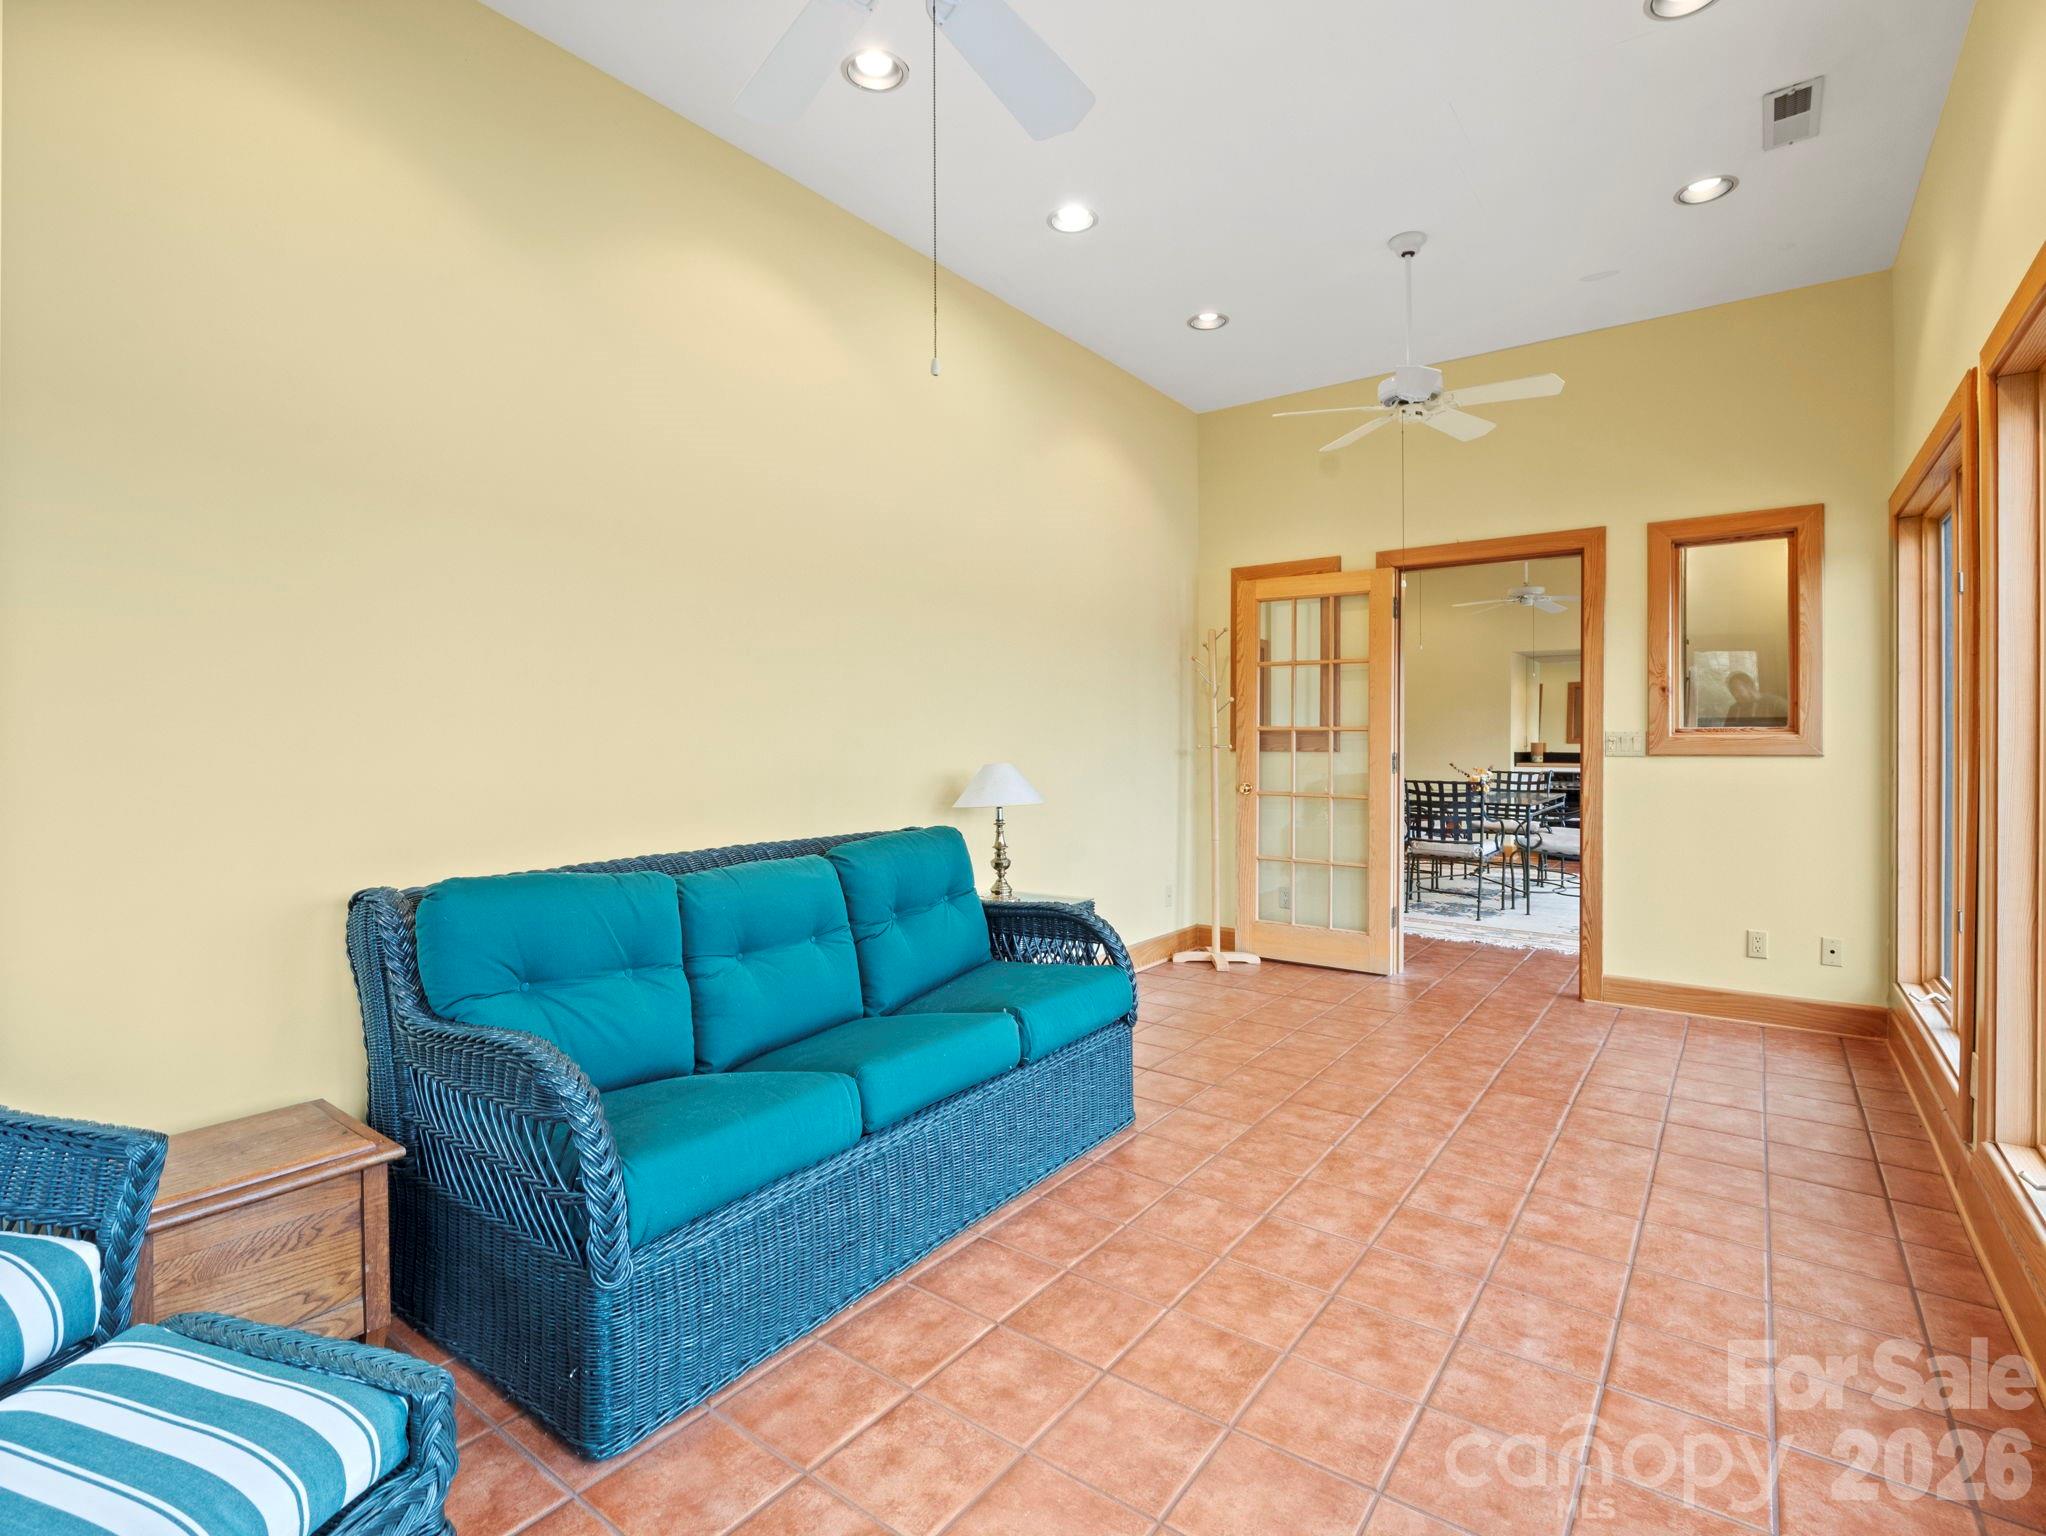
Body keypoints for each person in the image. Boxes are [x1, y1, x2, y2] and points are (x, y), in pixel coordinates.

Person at [1723, 670, 1790, 727]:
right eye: (1732, 692)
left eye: (1737, 690)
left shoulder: (1776, 703)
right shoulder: (1733, 709)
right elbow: (1727, 733)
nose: (1735, 695)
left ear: (1749, 686)